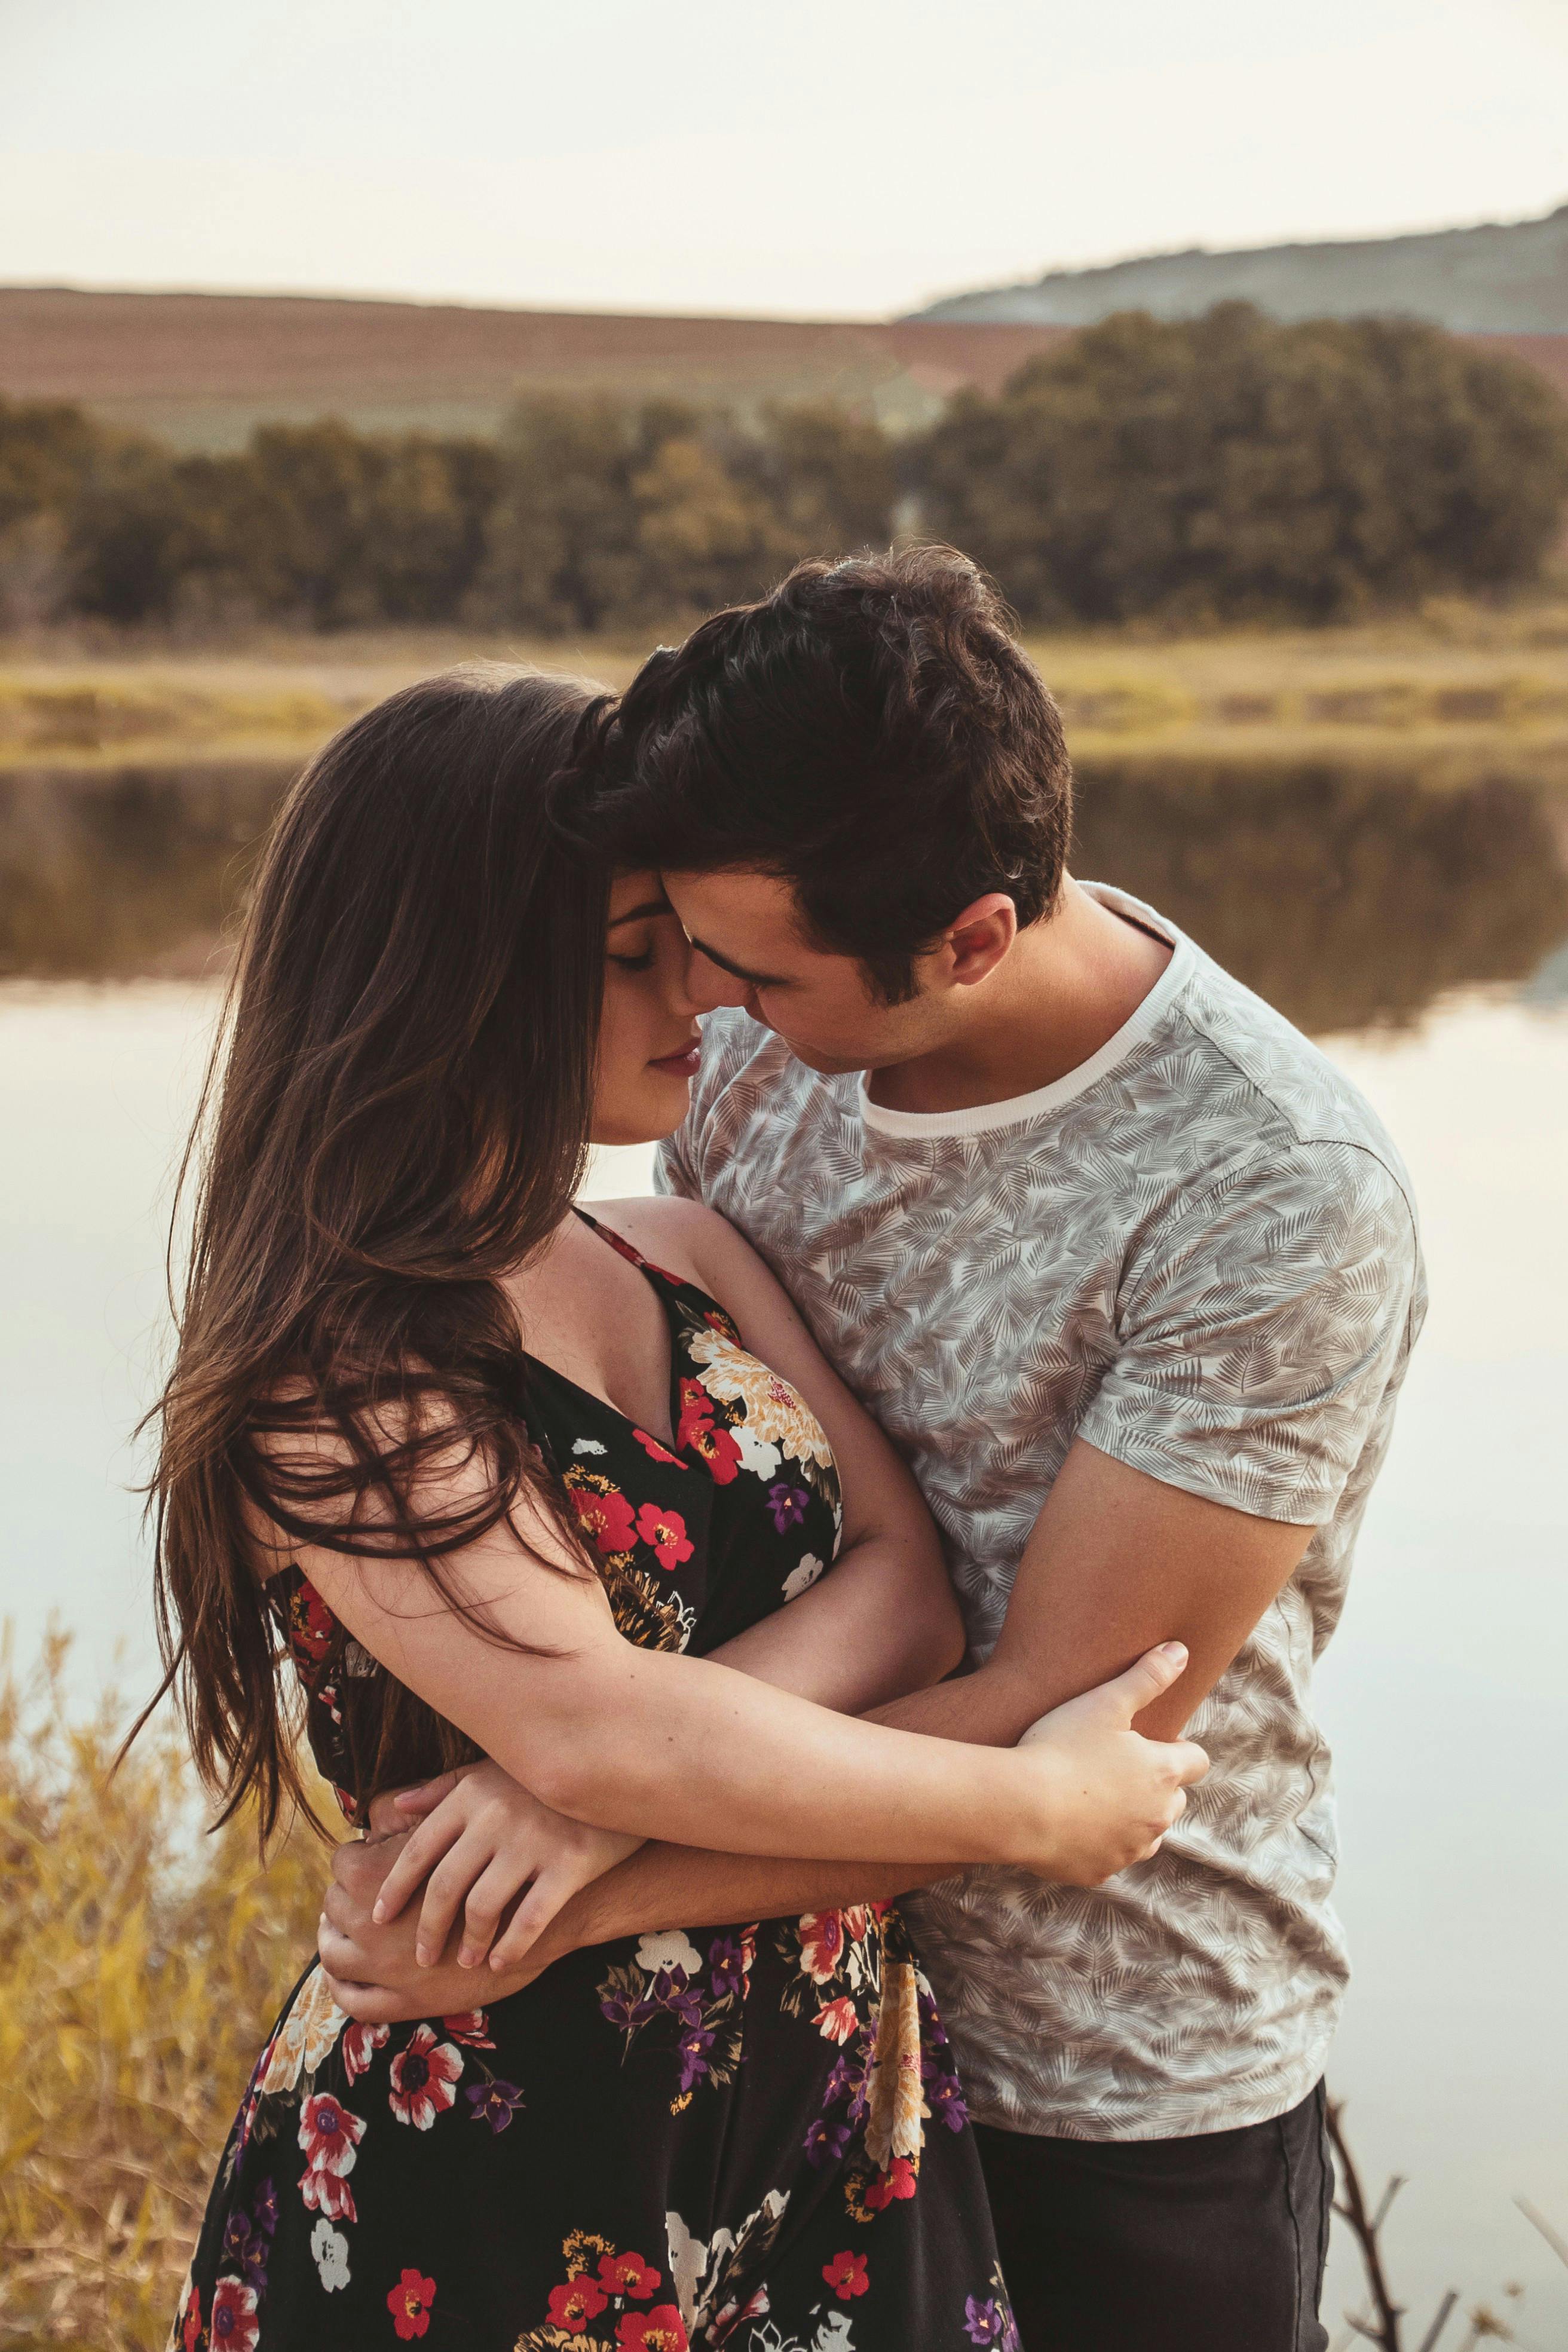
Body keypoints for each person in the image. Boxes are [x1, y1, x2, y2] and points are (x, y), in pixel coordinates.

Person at [321, 549, 1425, 2352]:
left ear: (970, 938)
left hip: (1109, 2063)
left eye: (746, 968)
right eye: (671, 947)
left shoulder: (1269, 1191)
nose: (705, 1004)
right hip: (772, 2048)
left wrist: (584, 1831)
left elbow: (1067, 1704)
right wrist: (585, 1763)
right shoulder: (754, 1048)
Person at [151, 666, 1204, 2352]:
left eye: (694, 946)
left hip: (834, 2124)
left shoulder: (685, 1255)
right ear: (463, 970)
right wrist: (1032, 1811)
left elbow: (904, 1592)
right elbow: (595, 1718)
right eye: (635, 950)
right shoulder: (329, 1368)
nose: (699, 999)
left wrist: (592, 1799)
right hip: (484, 2157)